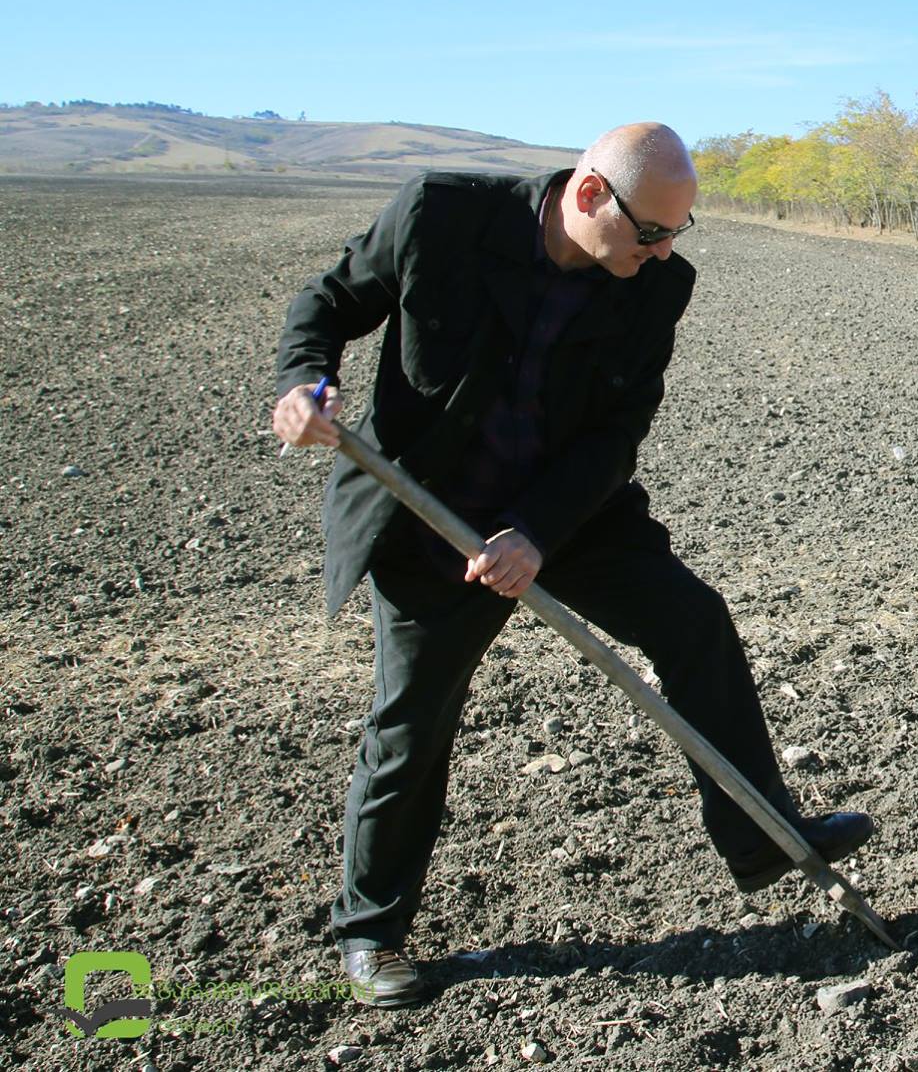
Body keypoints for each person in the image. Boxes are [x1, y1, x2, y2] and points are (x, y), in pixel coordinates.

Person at [271, 123, 873, 1006]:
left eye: (676, 232)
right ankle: (371, 933)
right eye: (650, 231)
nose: (662, 251)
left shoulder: (656, 285)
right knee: (413, 719)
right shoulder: (441, 216)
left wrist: (535, 533)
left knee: (693, 622)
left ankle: (758, 835)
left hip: (565, 509)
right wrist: (304, 383)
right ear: (590, 194)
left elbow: (616, 433)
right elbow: (328, 302)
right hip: (430, 509)